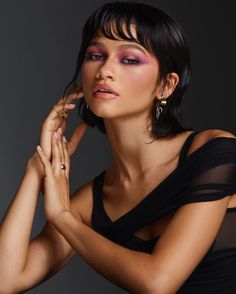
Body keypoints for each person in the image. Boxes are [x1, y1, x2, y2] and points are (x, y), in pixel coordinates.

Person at [1, 1, 236, 293]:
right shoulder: (92, 202)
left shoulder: (214, 152)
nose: (105, 70)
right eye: (96, 55)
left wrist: (62, 217)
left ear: (166, 85)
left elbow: (158, 283)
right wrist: (37, 168)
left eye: (129, 59)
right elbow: (7, 280)